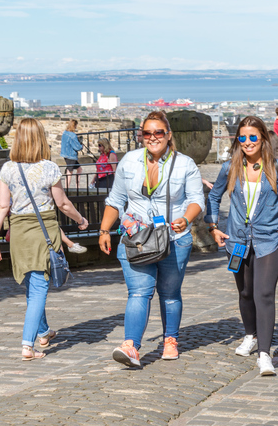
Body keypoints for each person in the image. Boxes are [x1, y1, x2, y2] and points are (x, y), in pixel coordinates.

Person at [99, 111, 205, 367]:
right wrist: (104, 230)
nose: (153, 137)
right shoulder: (130, 161)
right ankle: (131, 346)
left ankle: (170, 339)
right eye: (147, 133)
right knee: (138, 292)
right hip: (136, 238)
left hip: (174, 237)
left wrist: (186, 219)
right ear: (142, 136)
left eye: (159, 132)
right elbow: (116, 200)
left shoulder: (185, 164)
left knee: (169, 293)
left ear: (168, 135)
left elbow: (196, 200)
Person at [206, 116, 278, 376]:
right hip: (237, 239)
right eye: (243, 137)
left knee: (264, 294)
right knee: (246, 293)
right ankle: (251, 334)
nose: (248, 142)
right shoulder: (229, 168)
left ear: (263, 138)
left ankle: (265, 355)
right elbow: (214, 197)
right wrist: (213, 227)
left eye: (253, 137)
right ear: (238, 140)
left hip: (270, 238)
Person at [0, 118, 89, 361]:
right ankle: (27, 345)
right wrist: (80, 219)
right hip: (45, 229)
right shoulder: (49, 168)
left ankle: (43, 332)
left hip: (20, 231)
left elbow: (2, 205)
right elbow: (62, 203)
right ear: (41, 138)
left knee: (33, 284)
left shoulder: (8, 169)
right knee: (40, 286)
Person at [60, 119, 84, 189]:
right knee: (69, 172)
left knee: (79, 169)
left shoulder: (64, 133)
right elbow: (77, 147)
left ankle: (77, 186)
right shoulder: (73, 135)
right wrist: (81, 146)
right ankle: (67, 188)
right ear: (74, 126)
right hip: (71, 156)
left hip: (65, 154)